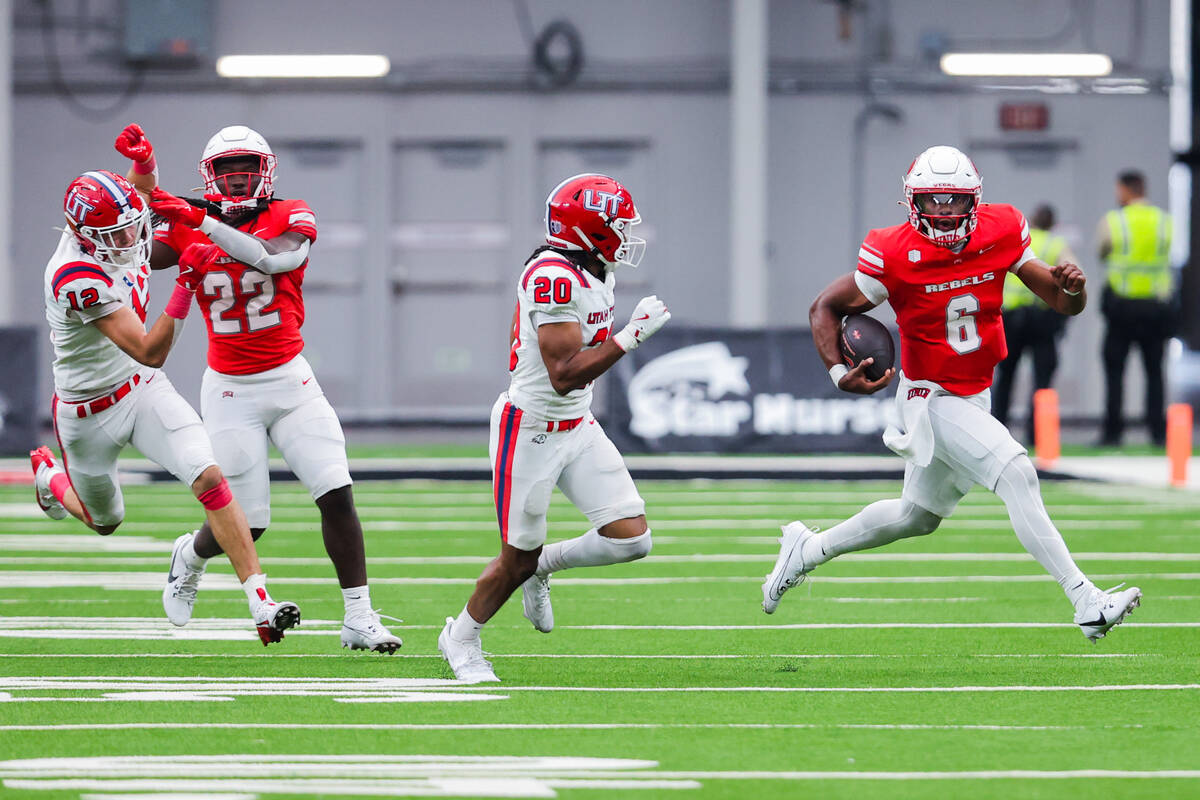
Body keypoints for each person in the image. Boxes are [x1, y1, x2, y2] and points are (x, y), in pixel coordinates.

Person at [763, 145, 1141, 642]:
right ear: (912, 201)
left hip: (975, 392)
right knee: (1017, 472)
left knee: (915, 517)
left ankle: (806, 549)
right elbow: (824, 307)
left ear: (976, 201)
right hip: (930, 395)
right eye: (932, 201)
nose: (943, 214)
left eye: (954, 201)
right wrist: (838, 372)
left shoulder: (1002, 229)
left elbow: (1060, 301)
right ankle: (1085, 600)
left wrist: (1073, 288)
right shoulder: (893, 250)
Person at [115, 123, 401, 653]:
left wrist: (198, 217)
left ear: (266, 172)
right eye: (227, 171)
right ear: (211, 175)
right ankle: (190, 557)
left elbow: (275, 258)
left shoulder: (290, 212)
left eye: (247, 168)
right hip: (229, 390)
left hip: (292, 380)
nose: (238, 179)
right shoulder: (186, 223)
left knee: (335, 491)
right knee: (251, 523)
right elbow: (123, 249)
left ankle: (359, 618)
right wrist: (143, 193)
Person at [30, 167, 300, 646]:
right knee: (105, 521)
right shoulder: (74, 276)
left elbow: (140, 198)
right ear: (81, 234)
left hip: (142, 387)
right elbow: (150, 348)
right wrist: (186, 284)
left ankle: (261, 602)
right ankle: (49, 478)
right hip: (88, 412)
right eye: (117, 234)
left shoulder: (123, 227)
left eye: (134, 225)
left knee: (209, 475)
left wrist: (146, 170)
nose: (133, 240)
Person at [437, 173, 671, 682]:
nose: (626, 234)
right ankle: (461, 638)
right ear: (588, 229)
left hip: (577, 424)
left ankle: (543, 566)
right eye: (616, 224)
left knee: (632, 539)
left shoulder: (593, 270)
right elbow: (563, 375)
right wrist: (631, 336)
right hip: (531, 428)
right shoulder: (552, 276)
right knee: (512, 561)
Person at [1096, 170, 1174, 446]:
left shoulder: (1115, 221)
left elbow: (1102, 251)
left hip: (1122, 307)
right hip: (1155, 308)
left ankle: (1112, 433)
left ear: (1127, 190)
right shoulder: (1165, 222)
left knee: (1115, 372)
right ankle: (1157, 433)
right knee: (1154, 372)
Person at [992, 204, 1076, 442]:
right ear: (1053, 224)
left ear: (1031, 221)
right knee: (1042, 379)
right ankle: (1037, 433)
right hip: (1042, 319)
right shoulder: (1056, 244)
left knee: (1006, 376)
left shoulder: (1017, 242)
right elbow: (1073, 271)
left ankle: (999, 429)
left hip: (1011, 319)